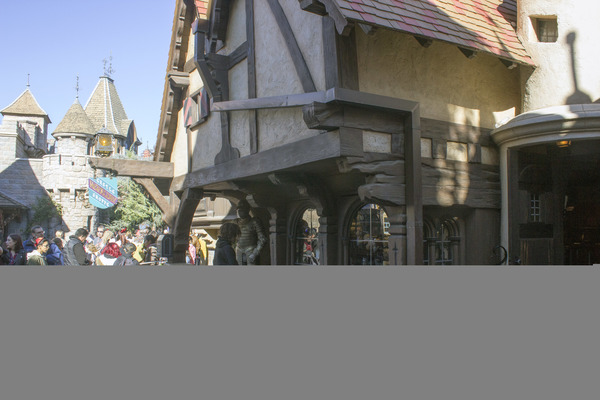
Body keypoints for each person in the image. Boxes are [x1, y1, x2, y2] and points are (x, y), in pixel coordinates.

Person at [235, 199, 267, 265]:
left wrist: (255, 253)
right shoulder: (235, 222)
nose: (240, 212)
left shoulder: (254, 222)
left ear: (247, 210)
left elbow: (262, 239)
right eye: (239, 210)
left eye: (242, 209)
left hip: (251, 250)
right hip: (239, 251)